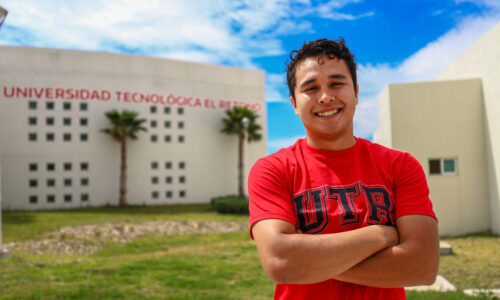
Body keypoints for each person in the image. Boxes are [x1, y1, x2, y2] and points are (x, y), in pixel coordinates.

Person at [248, 38, 439, 300]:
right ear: (294, 103)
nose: (326, 97)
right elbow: (281, 261)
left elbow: (422, 266)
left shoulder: (400, 166)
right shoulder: (273, 169)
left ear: (356, 92)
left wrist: (308, 259)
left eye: (337, 84)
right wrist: (382, 234)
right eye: (311, 88)